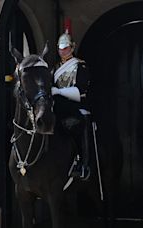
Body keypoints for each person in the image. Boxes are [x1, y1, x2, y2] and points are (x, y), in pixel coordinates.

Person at [51, 29, 92, 180]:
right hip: (59, 107)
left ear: (72, 48)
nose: (63, 51)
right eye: (60, 48)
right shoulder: (54, 68)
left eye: (66, 48)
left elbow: (81, 90)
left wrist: (59, 92)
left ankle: (83, 164)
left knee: (79, 125)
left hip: (76, 106)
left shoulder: (80, 66)